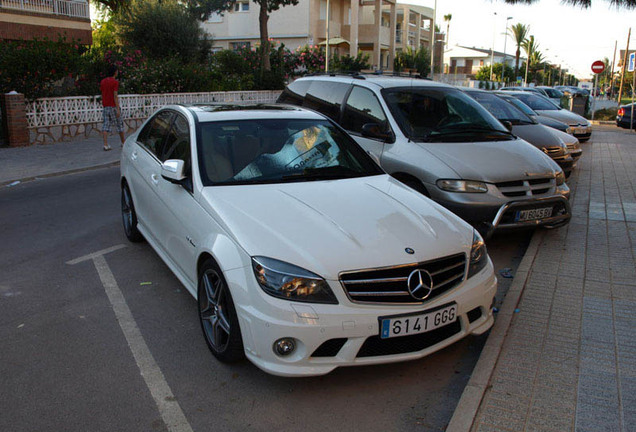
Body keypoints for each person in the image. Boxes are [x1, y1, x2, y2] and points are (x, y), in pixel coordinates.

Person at [100, 65, 125, 151]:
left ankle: (105, 144)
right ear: (115, 72)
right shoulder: (115, 82)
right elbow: (115, 95)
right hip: (113, 106)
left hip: (106, 106)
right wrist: (118, 108)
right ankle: (123, 142)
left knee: (106, 125)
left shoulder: (103, 82)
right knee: (119, 124)